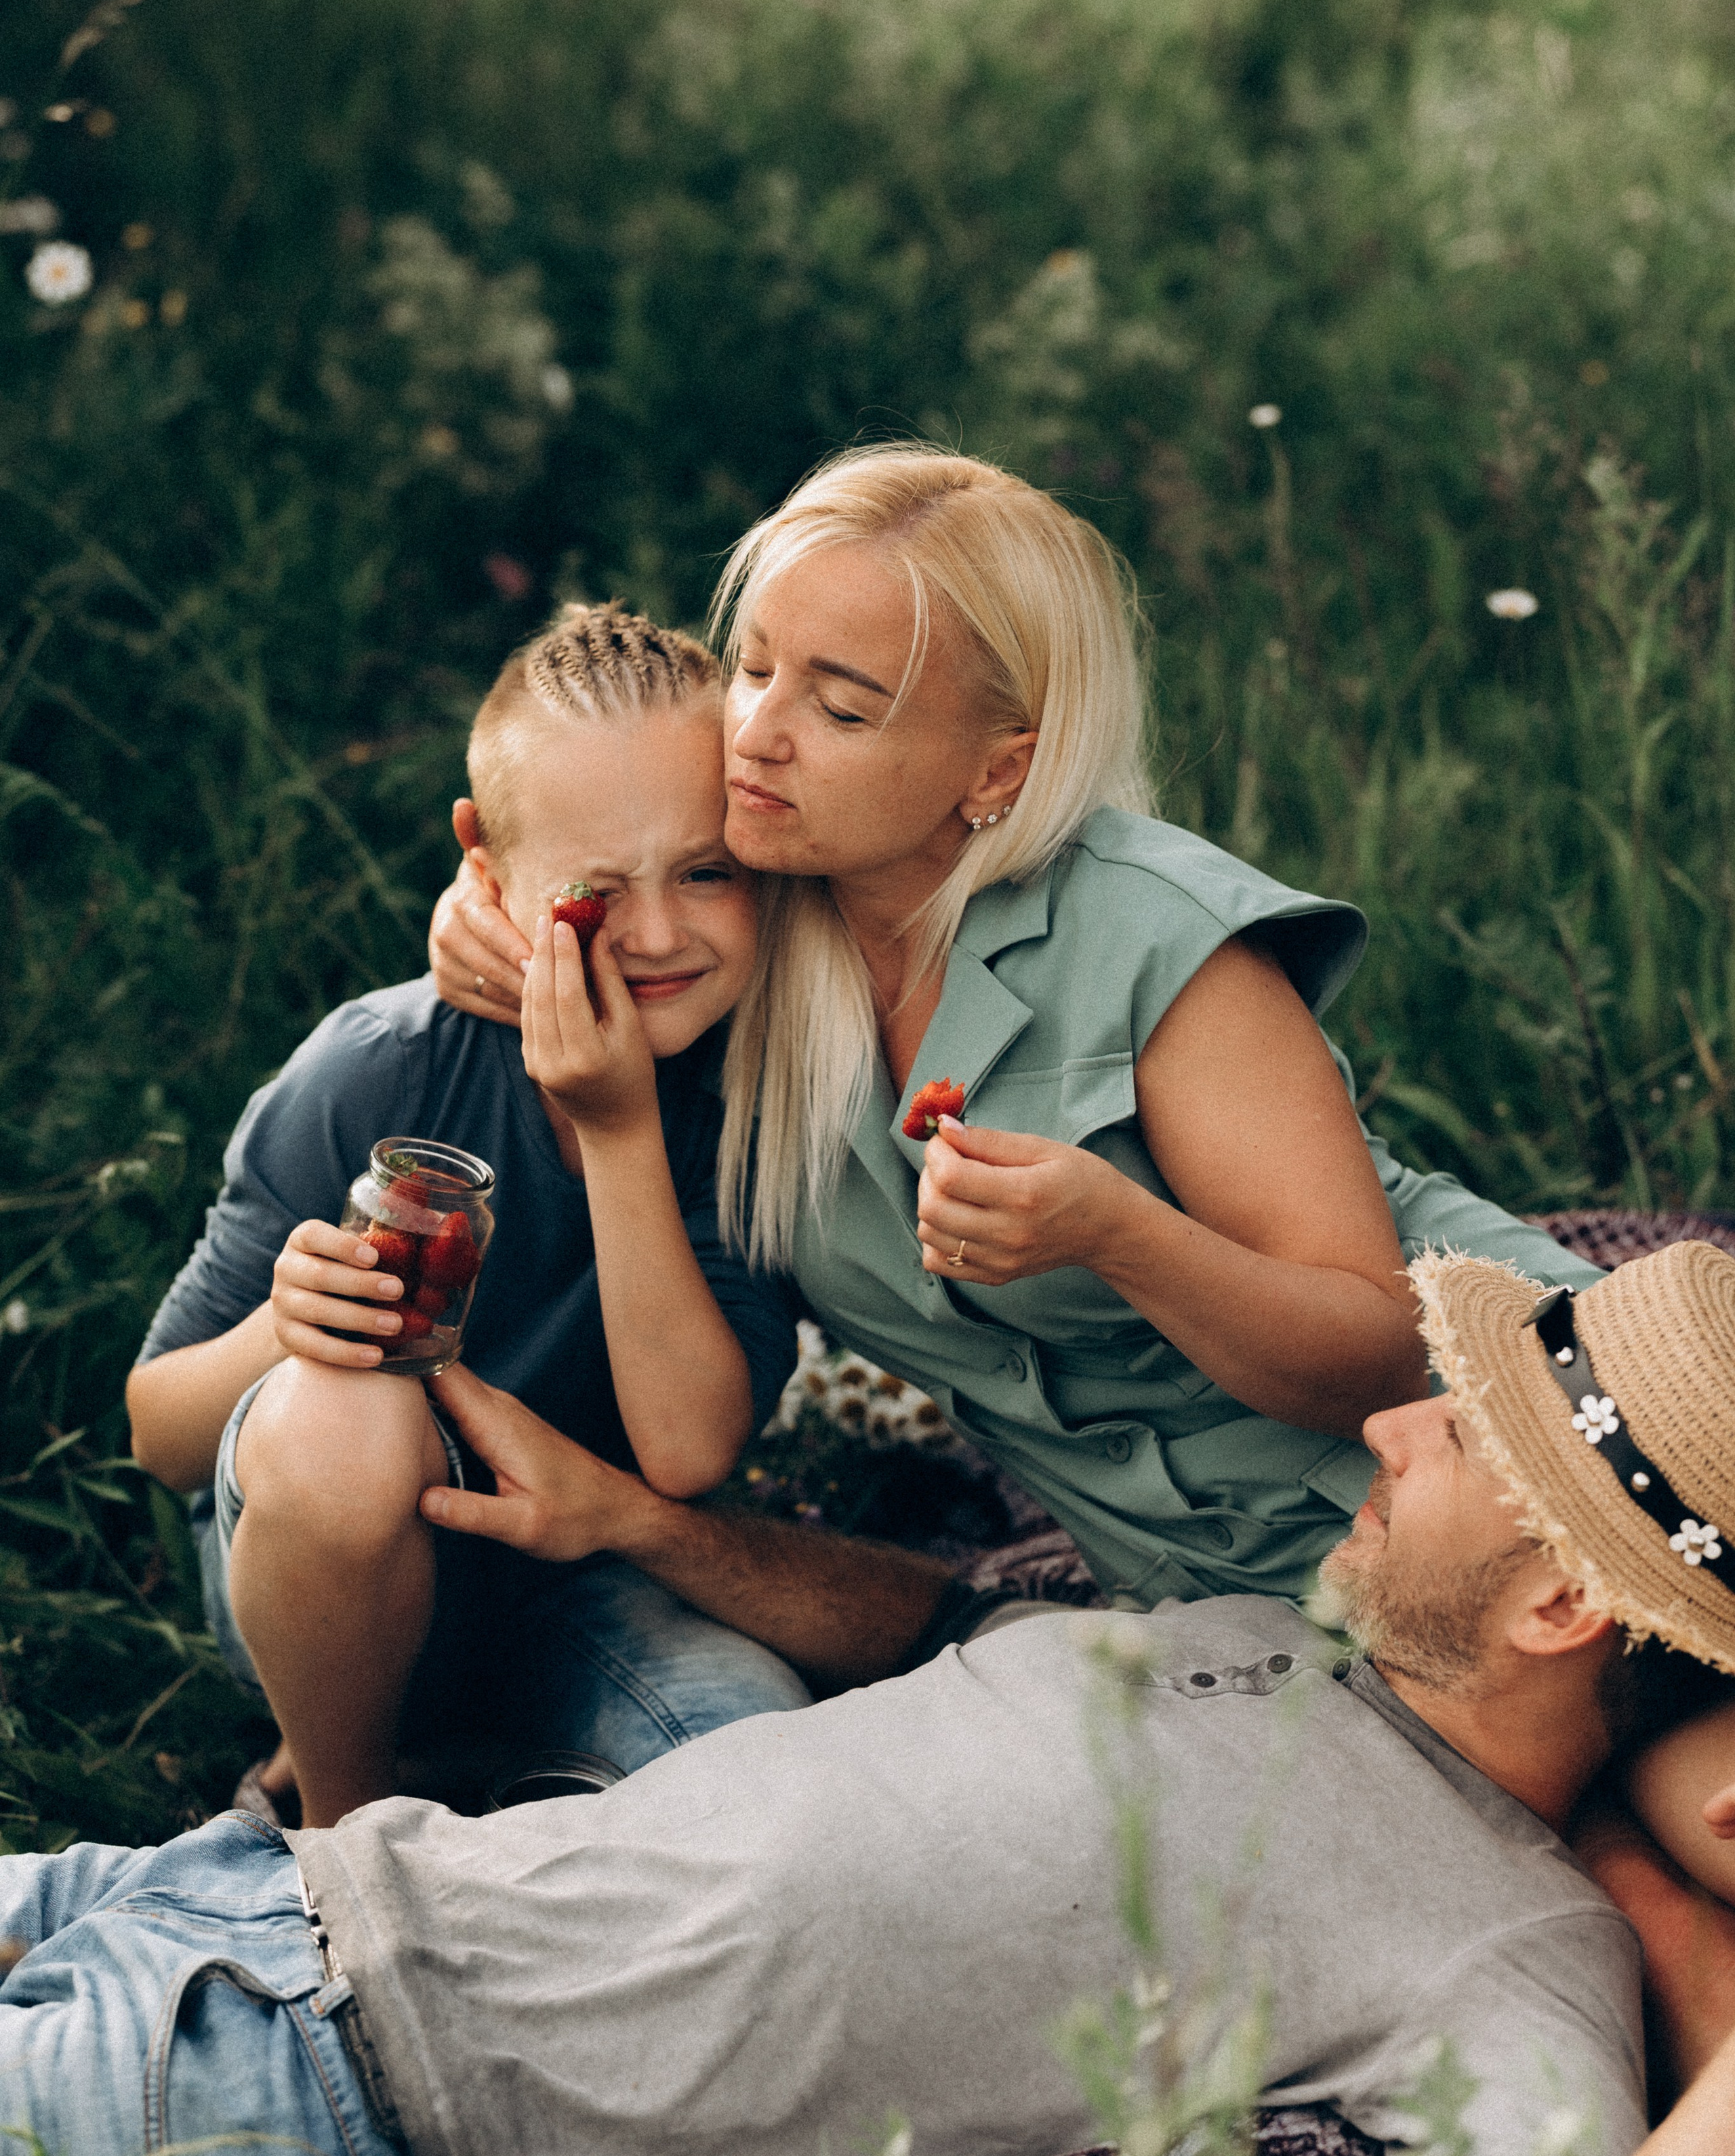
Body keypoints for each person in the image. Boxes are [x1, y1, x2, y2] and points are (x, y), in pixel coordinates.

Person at [11, 1238, 1735, 2156]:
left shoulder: (1504, 1955)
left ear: (1561, 1605)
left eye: (1464, 1438)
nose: (1388, 1429)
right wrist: (647, 1528)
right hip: (266, 1889)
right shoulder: (1278, 1641)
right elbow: (951, 1626)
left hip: (325, 2131)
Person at [432, 444, 1604, 1620]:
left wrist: (1121, 1235)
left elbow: (1387, 1344)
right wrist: (476, 915)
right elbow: (568, 842)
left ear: (998, 769)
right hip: (1229, 1606)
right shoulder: (734, 931)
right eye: (752, 670)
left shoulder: (1146, 935)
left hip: (1530, 1453)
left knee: (1681, 1773)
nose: (757, 735)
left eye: (841, 705)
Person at [125, 607, 822, 1827]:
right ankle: (340, 1830)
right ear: (485, 868)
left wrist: (619, 1126)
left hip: (583, 1582)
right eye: (597, 893)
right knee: (350, 1412)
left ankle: (487, 1787)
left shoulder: (757, 1100)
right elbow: (161, 1434)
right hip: (321, 1568)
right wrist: (285, 1330)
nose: (658, 934)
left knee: (758, 1758)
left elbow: (687, 1453)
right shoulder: (381, 1069)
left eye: (707, 872)